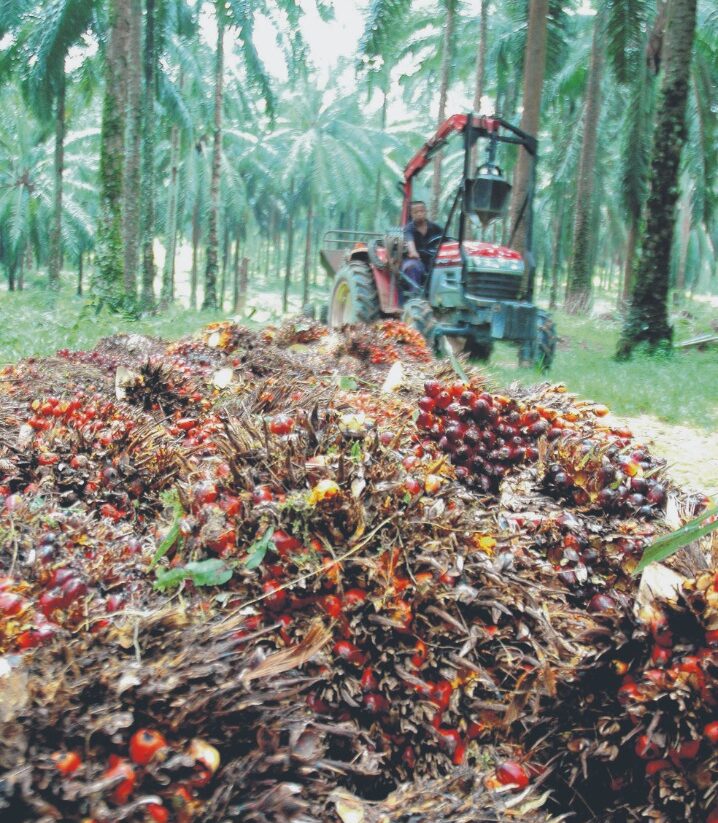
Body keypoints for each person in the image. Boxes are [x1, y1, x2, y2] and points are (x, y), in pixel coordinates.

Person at [401, 200, 442, 297]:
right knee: (412, 266)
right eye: (416, 212)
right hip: (415, 259)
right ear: (412, 214)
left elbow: (447, 240)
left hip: (431, 259)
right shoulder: (408, 229)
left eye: (422, 211)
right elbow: (410, 242)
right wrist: (413, 252)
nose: (419, 214)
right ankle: (415, 297)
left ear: (425, 211)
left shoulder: (435, 228)